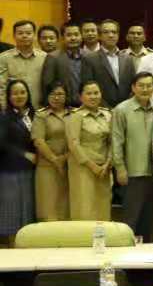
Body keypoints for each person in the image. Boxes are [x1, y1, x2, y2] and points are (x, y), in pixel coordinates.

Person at [111, 72, 153, 242]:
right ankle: (127, 254)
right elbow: (116, 141)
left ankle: (146, 255)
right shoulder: (121, 110)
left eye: (149, 85)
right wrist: (120, 168)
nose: (145, 89)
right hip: (132, 173)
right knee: (131, 220)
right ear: (133, 88)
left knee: (149, 220)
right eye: (141, 85)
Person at [67, 80, 113, 221]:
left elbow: (112, 142)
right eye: (88, 93)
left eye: (96, 93)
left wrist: (108, 163)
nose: (93, 96)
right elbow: (73, 144)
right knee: (85, 207)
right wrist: (92, 166)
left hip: (104, 168)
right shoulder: (75, 116)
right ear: (81, 97)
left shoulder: (107, 115)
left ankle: (102, 235)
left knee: (103, 206)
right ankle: (84, 236)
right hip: (83, 168)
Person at [0, 80, 36, 242]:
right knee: (12, 213)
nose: (19, 96)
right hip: (11, 171)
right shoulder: (4, 117)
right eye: (15, 93)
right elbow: (2, 143)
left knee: (27, 211)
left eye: (22, 92)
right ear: (9, 96)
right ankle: (12, 248)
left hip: (31, 170)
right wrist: (24, 154)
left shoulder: (34, 115)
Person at [32, 81, 72, 222]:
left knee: (67, 209)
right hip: (47, 167)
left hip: (70, 166)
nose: (56, 97)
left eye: (60, 94)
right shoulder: (41, 115)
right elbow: (38, 141)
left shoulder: (74, 114)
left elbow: (78, 141)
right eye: (52, 94)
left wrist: (64, 159)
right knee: (48, 209)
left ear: (66, 96)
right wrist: (55, 160)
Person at [80, 19, 136, 108]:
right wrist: (106, 109)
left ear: (118, 35)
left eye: (114, 32)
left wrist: (124, 107)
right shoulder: (90, 59)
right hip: (100, 109)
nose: (111, 35)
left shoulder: (128, 59)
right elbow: (88, 87)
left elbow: (133, 86)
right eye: (106, 32)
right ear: (99, 36)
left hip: (126, 109)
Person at [0, 20, 47, 110]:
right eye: (20, 33)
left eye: (28, 33)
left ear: (34, 35)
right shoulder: (3, 58)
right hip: (13, 111)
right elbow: (1, 87)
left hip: (39, 110)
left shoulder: (44, 57)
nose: (24, 36)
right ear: (14, 36)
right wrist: (5, 109)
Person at [41, 21, 83, 107]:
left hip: (86, 105)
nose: (73, 38)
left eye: (76, 34)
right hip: (62, 106)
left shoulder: (89, 56)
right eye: (69, 35)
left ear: (81, 36)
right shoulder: (53, 57)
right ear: (63, 38)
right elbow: (47, 85)